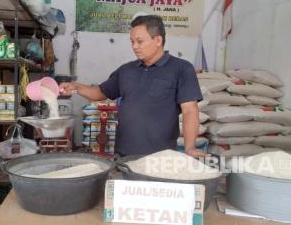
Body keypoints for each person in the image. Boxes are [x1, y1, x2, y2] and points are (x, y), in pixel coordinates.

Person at [60, 15, 206, 157]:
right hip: (124, 154)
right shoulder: (126, 70)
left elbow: (189, 111)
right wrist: (76, 87)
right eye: (132, 42)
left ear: (158, 40)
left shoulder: (181, 69)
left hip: (160, 157)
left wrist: (190, 147)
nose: (135, 47)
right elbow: (100, 92)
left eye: (139, 41)